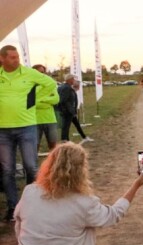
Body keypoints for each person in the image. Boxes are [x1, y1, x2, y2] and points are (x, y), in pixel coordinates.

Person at [3, 142, 143, 245]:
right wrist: (136, 185)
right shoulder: (85, 203)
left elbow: (19, 227)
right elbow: (113, 214)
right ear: (81, 170)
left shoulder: (30, 192)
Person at [0, 45, 57, 222]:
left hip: (27, 127)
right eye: (12, 58)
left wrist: (35, 99)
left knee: (31, 167)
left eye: (17, 57)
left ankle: (32, 205)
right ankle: (12, 207)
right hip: (2, 130)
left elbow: (51, 83)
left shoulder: (28, 73)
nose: (17, 60)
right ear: (2, 59)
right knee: (7, 170)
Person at [33, 64, 60, 155]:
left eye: (43, 72)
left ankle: (53, 165)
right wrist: (48, 102)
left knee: (53, 145)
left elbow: (56, 100)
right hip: (35, 121)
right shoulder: (29, 87)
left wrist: (41, 100)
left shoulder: (51, 86)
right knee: (34, 145)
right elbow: (31, 103)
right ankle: (34, 166)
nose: (41, 74)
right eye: (39, 72)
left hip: (50, 120)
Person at [58, 76, 94, 144]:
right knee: (66, 127)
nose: (74, 80)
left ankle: (84, 137)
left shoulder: (65, 87)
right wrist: (70, 110)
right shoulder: (67, 88)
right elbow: (63, 101)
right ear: (70, 79)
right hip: (68, 112)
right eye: (73, 79)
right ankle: (65, 141)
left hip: (71, 111)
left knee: (76, 124)